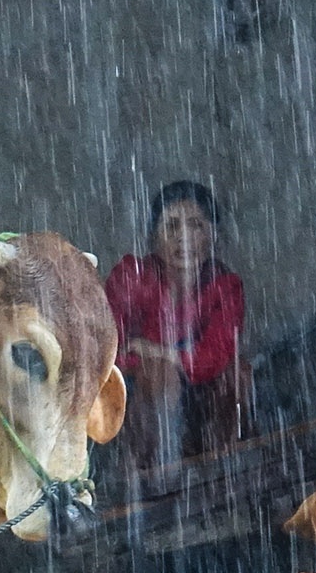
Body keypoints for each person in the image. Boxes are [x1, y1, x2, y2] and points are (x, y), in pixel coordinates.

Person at [104, 180, 248, 470]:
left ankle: (223, 470)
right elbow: (108, 351)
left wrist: (160, 353)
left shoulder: (225, 286)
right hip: (141, 402)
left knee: (237, 375)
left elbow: (217, 355)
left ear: (213, 235)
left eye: (195, 225)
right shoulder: (131, 277)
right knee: (160, 376)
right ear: (153, 238)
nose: (183, 237)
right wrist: (153, 365)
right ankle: (157, 475)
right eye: (171, 226)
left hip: (200, 397)